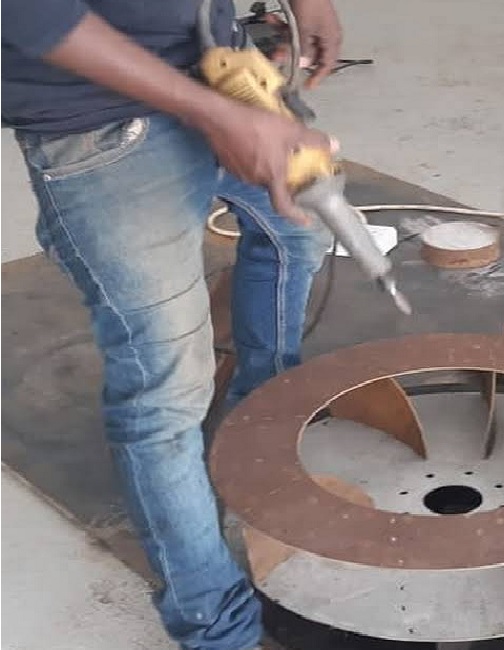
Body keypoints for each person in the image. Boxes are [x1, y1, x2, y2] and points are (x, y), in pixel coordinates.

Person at [2, 0, 343, 647]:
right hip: (100, 123)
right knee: (164, 394)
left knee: (296, 233)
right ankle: (218, 627)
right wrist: (212, 114)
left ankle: (259, 429)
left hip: (217, 59)